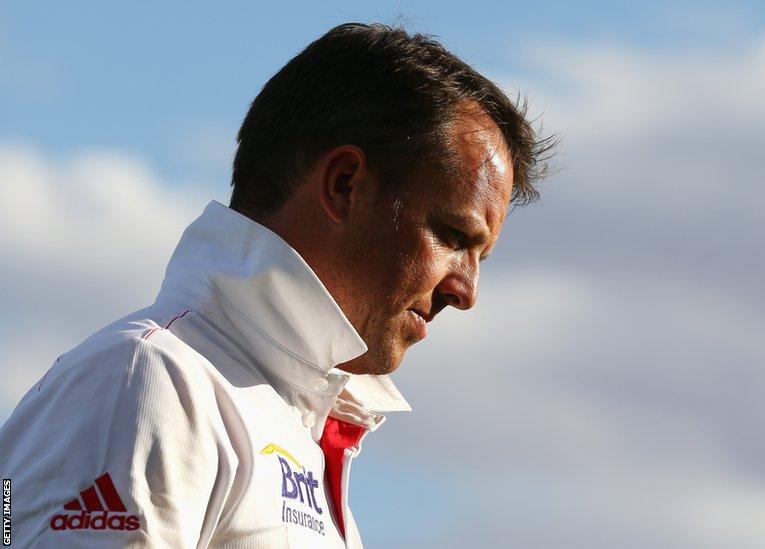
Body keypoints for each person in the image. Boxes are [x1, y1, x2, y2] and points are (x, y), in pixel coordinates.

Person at [0, 22, 554, 547]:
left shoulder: (288, 421)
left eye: (481, 256)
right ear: (343, 185)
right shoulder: (151, 381)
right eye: (454, 234)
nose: (466, 291)